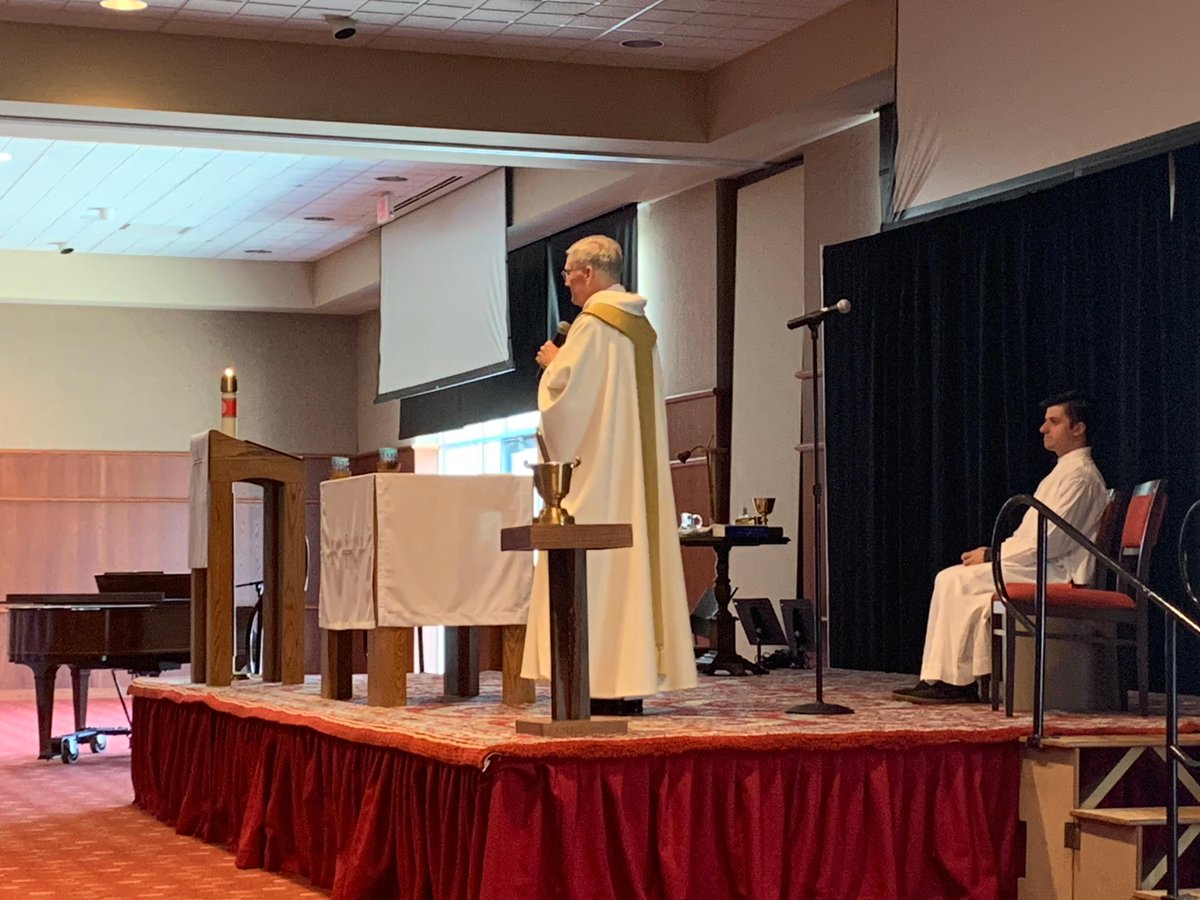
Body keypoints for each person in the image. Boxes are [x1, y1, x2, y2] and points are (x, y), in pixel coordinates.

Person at [521, 235, 698, 712]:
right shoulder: (640, 326)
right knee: (632, 570)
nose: (565, 282)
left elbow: (568, 399)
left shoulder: (593, 325)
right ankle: (629, 681)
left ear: (589, 273)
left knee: (595, 570)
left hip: (600, 479)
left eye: (568, 273)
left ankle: (598, 682)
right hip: (632, 478)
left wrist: (553, 366)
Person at [894, 391, 1108, 704]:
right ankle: (950, 677)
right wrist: (995, 553)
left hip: (1058, 573)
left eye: (1054, 422)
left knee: (954, 579)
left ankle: (954, 681)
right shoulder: (1064, 472)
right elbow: (1035, 538)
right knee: (956, 579)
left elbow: (1049, 540)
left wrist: (993, 555)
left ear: (1078, 429)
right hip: (1040, 563)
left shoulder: (1081, 477)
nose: (1043, 429)